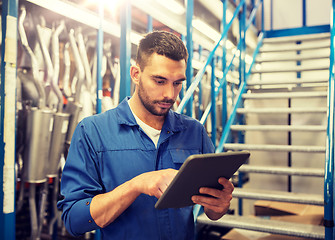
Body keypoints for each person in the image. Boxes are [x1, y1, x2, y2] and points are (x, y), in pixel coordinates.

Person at [57, 31, 234, 239]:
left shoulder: (195, 132)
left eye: (177, 83)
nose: (170, 94)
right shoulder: (93, 132)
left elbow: (213, 211)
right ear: (136, 74)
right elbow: (75, 220)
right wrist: (137, 184)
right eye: (160, 81)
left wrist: (219, 205)